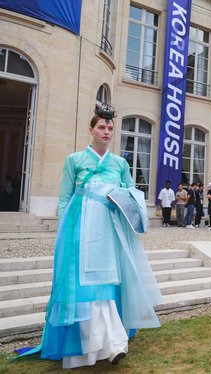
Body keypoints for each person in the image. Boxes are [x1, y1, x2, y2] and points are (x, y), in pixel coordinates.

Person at [20, 105, 161, 368]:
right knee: (83, 287)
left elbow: (131, 194)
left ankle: (114, 344)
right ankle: (93, 346)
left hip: (109, 231)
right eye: (101, 127)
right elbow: (64, 199)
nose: (106, 131)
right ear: (91, 130)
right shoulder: (74, 160)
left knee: (108, 282)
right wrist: (64, 233)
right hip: (80, 228)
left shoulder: (120, 163)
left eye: (110, 128)